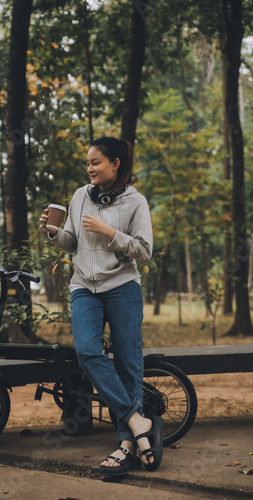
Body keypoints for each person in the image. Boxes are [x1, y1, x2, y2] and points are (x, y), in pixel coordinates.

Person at [39, 136, 163, 476]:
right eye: (88, 163)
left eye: (95, 162)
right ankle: (138, 420)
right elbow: (72, 242)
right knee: (88, 352)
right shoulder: (80, 196)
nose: (89, 168)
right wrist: (53, 232)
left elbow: (144, 251)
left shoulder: (136, 202)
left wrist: (110, 231)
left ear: (115, 164)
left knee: (127, 361)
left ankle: (126, 444)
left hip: (122, 286)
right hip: (84, 287)